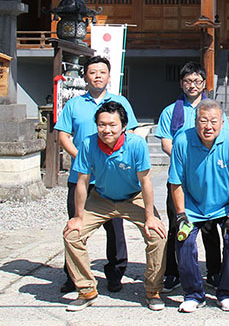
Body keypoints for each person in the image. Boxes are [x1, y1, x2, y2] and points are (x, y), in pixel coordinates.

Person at [63, 101, 167, 312]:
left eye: (112, 125)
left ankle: (153, 289)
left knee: (158, 235)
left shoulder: (136, 144)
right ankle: (86, 289)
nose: (106, 130)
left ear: (123, 126)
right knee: (72, 235)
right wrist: (78, 216)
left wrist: (150, 216)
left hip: (133, 197)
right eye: (101, 125)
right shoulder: (88, 144)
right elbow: (82, 181)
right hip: (101, 198)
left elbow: (146, 181)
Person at [55, 56, 136, 293]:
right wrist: (82, 159)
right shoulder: (74, 105)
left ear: (109, 76)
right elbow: (63, 136)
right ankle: (73, 276)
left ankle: (115, 274)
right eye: (93, 72)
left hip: (111, 178)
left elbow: (128, 136)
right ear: (85, 77)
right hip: (80, 178)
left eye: (102, 72)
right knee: (76, 225)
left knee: (115, 228)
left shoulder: (120, 103)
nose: (98, 76)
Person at [168, 99, 229, 313]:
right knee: (183, 241)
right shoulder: (182, 141)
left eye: (213, 121)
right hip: (193, 205)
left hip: (225, 205)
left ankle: (227, 292)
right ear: (195, 122)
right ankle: (193, 293)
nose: (208, 126)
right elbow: (175, 182)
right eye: (203, 121)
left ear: (222, 123)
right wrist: (181, 214)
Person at [155, 61, 228, 290]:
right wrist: (183, 158)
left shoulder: (212, 109)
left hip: (206, 176)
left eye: (197, 81)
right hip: (179, 177)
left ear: (204, 83)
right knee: (177, 224)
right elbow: (167, 141)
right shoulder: (170, 111)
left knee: (209, 225)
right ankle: (173, 271)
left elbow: (220, 138)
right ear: (181, 83)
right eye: (188, 81)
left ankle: (214, 270)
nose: (192, 85)